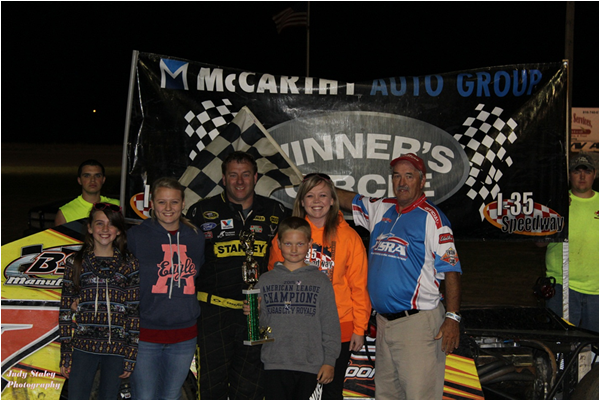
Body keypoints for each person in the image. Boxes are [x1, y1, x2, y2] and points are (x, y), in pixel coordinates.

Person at [337, 153, 462, 400]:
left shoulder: (433, 219)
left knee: (419, 396)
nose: (402, 182)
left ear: (422, 180)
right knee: (387, 396)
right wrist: (318, 184)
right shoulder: (381, 207)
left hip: (417, 325)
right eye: (397, 176)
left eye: (409, 176)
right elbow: (345, 199)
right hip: (384, 324)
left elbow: (452, 270)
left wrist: (453, 317)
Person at [186, 151, 290, 399]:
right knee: (212, 385)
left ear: (255, 177)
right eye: (233, 175)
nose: (240, 181)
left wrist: (273, 298)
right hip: (213, 313)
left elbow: (291, 263)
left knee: (253, 385)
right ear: (223, 178)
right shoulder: (201, 211)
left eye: (245, 175)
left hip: (260, 312)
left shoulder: (277, 211)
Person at [267, 172, 371, 399]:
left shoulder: (349, 237)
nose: (317, 201)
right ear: (301, 201)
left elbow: (359, 286)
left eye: (323, 195)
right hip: (297, 327)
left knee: (331, 392)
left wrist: (359, 328)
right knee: (296, 392)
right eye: (310, 196)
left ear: (333, 200)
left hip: (339, 325)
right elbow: (273, 281)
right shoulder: (285, 236)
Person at [127, 177, 205, 399]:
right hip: (146, 334)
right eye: (162, 202)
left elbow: (197, 273)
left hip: (184, 335)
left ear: (183, 204)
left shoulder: (196, 237)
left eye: (174, 202)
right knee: (144, 396)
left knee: (171, 396)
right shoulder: (136, 236)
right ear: (152, 204)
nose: (168, 208)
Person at [254, 216, 341, 399]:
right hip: (274, 363)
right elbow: (260, 329)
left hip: (310, 365)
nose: (294, 250)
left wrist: (329, 361)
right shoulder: (265, 280)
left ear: (309, 243)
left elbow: (330, 325)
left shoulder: (320, 281)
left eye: (300, 244)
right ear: (278, 243)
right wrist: (255, 313)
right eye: (288, 244)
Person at [59, 202, 139, 400]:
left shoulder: (129, 264)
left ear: (119, 230)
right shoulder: (75, 263)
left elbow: (133, 313)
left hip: (116, 350)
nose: (105, 230)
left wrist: (130, 354)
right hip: (83, 348)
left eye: (111, 224)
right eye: (99, 223)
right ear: (89, 227)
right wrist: (66, 353)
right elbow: (65, 312)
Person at [542, 153, 598, 332]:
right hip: (563, 285)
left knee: (595, 348)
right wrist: (555, 222)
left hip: (596, 289)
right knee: (561, 344)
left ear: (594, 175)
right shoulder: (556, 204)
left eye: (587, 171)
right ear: (569, 175)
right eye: (576, 171)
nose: (582, 177)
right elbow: (539, 243)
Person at [55, 159, 119, 226]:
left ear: (103, 180)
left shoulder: (116, 205)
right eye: (87, 176)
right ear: (79, 180)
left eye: (97, 176)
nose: (92, 180)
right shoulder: (65, 212)